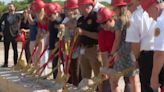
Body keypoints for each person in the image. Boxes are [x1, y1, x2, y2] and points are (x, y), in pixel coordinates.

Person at [125, 0, 159, 92]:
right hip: (160, 52)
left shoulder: (135, 17)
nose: (128, 9)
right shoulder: (157, 9)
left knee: (148, 87)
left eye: (129, 5)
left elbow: (135, 44)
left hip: (147, 57)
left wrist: (136, 59)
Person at [62, 0, 81, 86]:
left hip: (78, 48)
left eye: (67, 9)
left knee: (77, 70)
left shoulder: (79, 18)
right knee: (71, 69)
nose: (65, 11)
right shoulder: (66, 19)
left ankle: (77, 86)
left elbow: (79, 33)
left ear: (74, 9)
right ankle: (72, 85)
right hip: (69, 48)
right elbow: (65, 35)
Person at [44, 2, 65, 79]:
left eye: (50, 15)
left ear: (55, 12)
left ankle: (66, 79)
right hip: (53, 44)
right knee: (54, 62)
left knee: (64, 62)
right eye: (48, 16)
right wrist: (47, 43)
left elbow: (64, 31)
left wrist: (59, 41)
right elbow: (50, 32)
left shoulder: (62, 18)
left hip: (62, 44)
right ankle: (55, 78)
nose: (49, 17)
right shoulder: (50, 21)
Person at [0, 3, 21, 67]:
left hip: (14, 35)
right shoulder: (5, 15)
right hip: (6, 34)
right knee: (6, 49)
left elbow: (20, 24)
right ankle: (5, 63)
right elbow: (0, 23)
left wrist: (19, 31)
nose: (10, 8)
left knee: (15, 50)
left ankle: (15, 64)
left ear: (14, 8)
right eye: (9, 7)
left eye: (11, 7)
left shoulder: (18, 16)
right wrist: (0, 31)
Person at [151, 0, 164, 91]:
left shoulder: (160, 22)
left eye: (147, 11)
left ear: (155, 8)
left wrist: (154, 77)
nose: (148, 15)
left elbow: (160, 53)